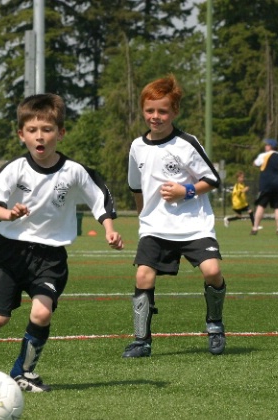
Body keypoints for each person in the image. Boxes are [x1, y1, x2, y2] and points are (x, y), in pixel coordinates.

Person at [0, 93, 123, 393]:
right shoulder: (15, 169)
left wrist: (109, 228)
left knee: (42, 313)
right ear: (21, 134)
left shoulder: (74, 171)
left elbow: (100, 196)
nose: (40, 136)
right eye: (32, 130)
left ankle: (23, 372)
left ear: (60, 132)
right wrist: (9, 212)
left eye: (47, 129)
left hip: (50, 256)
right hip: (8, 253)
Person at [122, 74, 226, 359]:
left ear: (174, 112)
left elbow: (212, 179)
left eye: (163, 111)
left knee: (212, 271)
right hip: (156, 227)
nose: (156, 116)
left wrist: (186, 190)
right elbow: (135, 186)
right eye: (150, 110)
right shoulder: (137, 147)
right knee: (143, 275)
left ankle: (215, 325)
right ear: (143, 110)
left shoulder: (186, 144)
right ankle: (141, 341)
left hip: (194, 225)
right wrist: (145, 216)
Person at [251, 139, 278, 235]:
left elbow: (255, 163)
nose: (265, 146)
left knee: (261, 205)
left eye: (267, 145)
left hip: (267, 184)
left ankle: (255, 228)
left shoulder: (264, 155)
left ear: (270, 146)